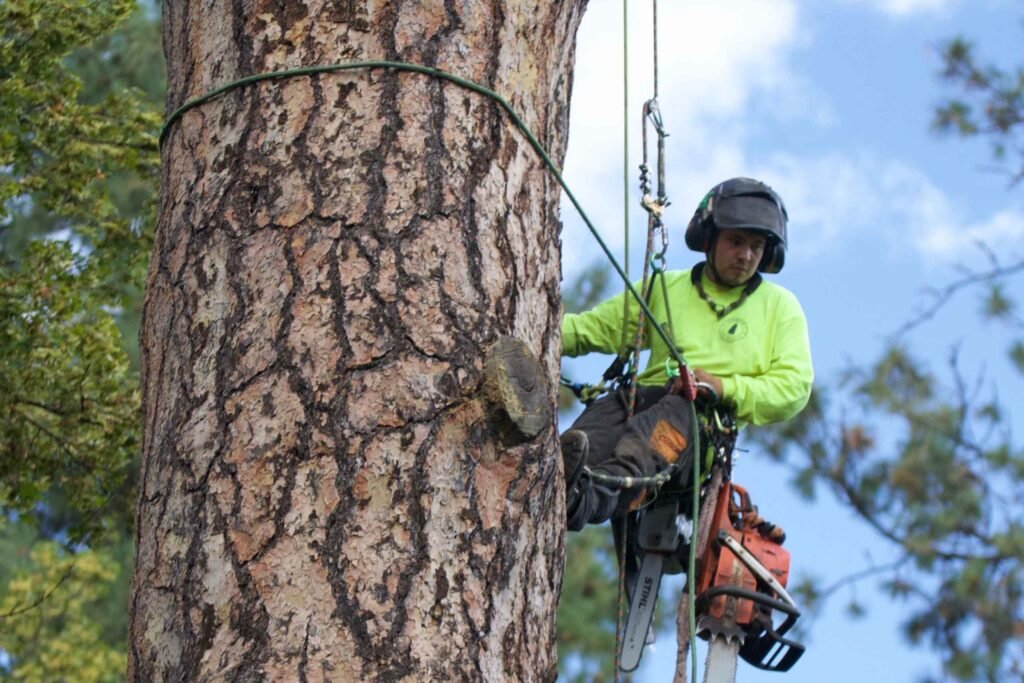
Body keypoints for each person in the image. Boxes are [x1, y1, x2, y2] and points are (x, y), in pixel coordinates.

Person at [560, 177, 813, 531]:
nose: (746, 255)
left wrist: (723, 388)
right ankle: (555, 486)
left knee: (663, 428)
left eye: (756, 246)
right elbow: (593, 329)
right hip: (639, 401)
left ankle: (587, 497)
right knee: (582, 441)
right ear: (709, 238)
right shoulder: (666, 289)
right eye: (736, 241)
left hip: (699, 424)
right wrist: (535, 329)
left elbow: (794, 387)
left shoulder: (780, 308)